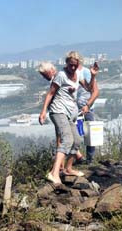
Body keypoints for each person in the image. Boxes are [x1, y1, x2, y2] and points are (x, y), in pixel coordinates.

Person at [39, 51, 98, 185]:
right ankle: (54, 173)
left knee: (76, 140)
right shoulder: (61, 75)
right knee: (67, 139)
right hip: (59, 112)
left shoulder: (77, 75)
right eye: (70, 65)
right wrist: (43, 112)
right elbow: (50, 94)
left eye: (75, 65)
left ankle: (68, 168)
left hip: (70, 114)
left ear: (78, 65)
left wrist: (93, 76)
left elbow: (89, 89)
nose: (72, 68)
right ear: (66, 63)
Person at [76, 61, 99, 162]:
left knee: (89, 133)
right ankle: (78, 157)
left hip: (86, 108)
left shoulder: (85, 72)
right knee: (75, 133)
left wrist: (88, 105)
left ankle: (90, 159)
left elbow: (94, 91)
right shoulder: (68, 73)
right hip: (73, 109)